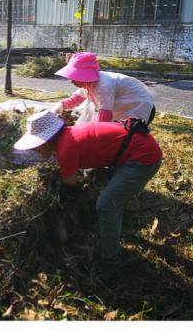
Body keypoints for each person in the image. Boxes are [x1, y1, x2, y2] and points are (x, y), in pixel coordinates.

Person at [13, 110, 163, 273]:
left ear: (45, 141)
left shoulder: (66, 148)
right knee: (107, 196)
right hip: (134, 148)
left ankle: (110, 263)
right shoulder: (71, 133)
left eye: (37, 147)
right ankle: (114, 227)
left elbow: (70, 183)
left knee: (106, 206)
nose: (37, 151)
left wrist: (62, 208)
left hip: (143, 158)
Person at [53, 52, 156, 125]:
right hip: (126, 106)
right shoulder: (90, 83)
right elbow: (76, 99)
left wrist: (96, 134)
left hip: (139, 106)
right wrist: (61, 105)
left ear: (84, 76)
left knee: (129, 134)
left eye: (75, 77)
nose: (72, 81)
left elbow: (104, 116)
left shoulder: (103, 86)